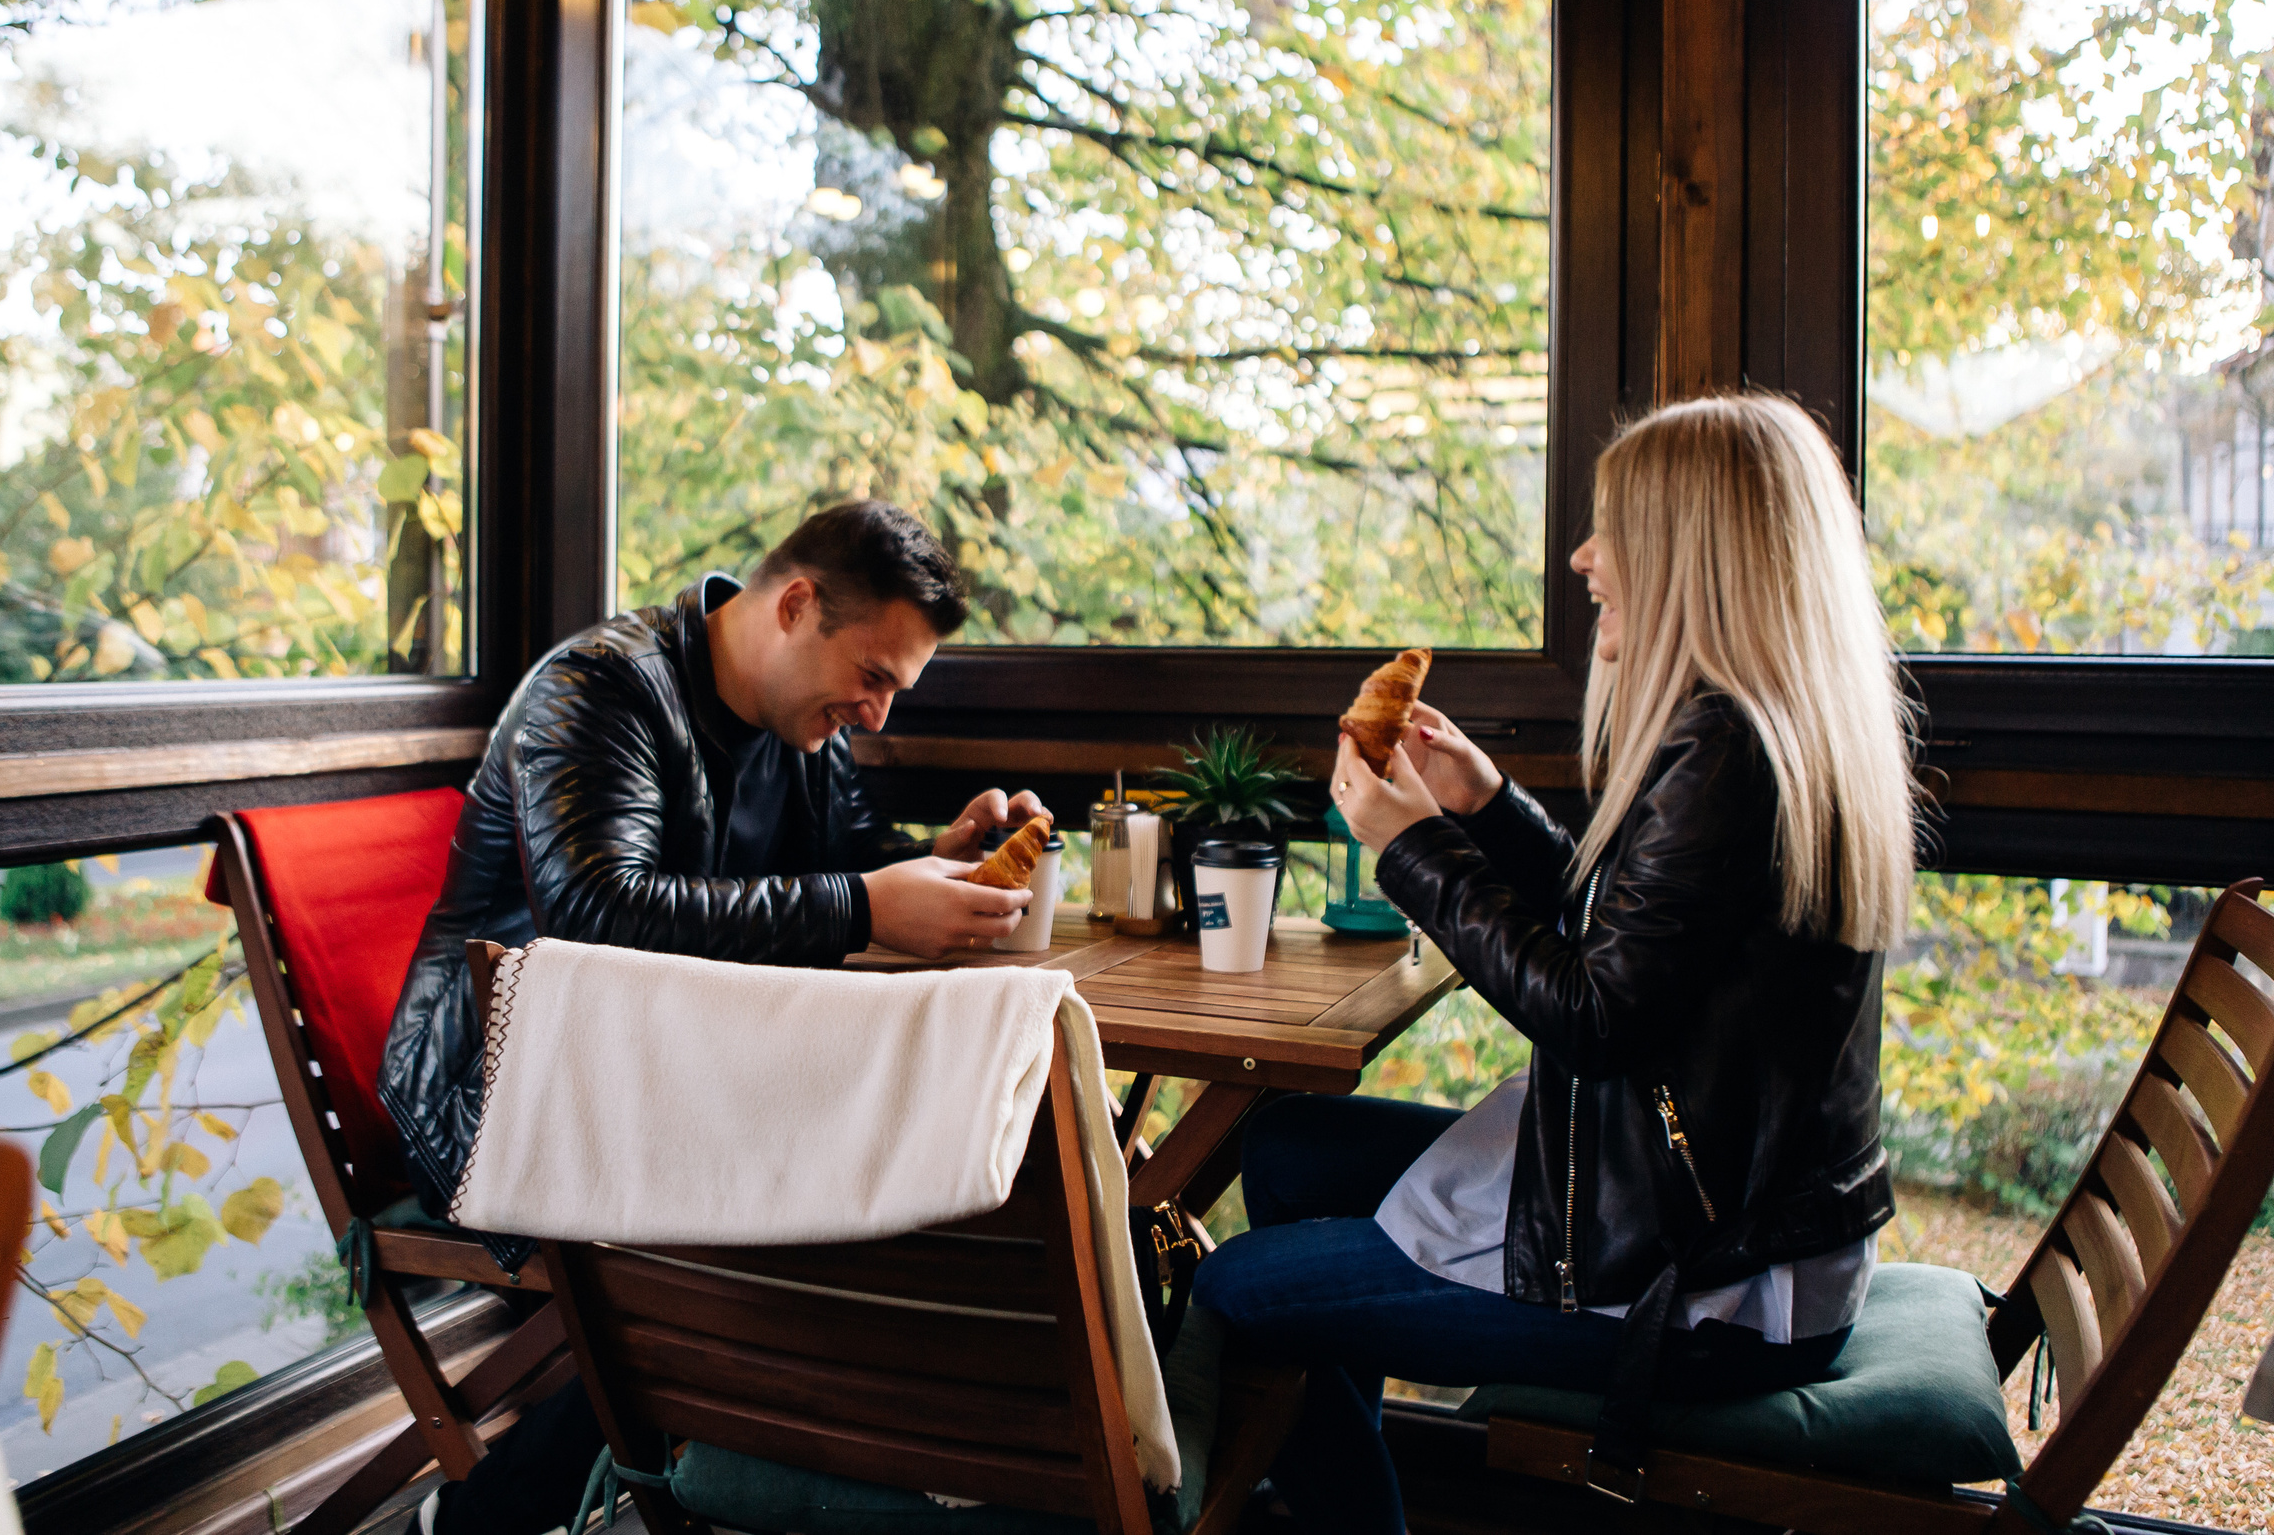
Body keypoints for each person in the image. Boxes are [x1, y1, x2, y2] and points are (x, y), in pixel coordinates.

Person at [1193, 393, 1916, 1532]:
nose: (1582, 559)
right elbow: (1641, 946)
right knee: (1284, 1144)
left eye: (1609, 530)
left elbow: (1592, 1016)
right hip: (1707, 1205)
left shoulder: (1727, 751)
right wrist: (1482, 805)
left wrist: (1410, 847)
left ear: (1694, 552)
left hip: (1709, 1287)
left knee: (1233, 1289)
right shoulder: (1758, 727)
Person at [379, 499, 1048, 1535]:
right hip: (504, 1087)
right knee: (838, 1216)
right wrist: (868, 903)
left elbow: (850, 864)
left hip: (668, 1073)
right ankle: (489, 1518)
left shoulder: (802, 724)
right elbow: (599, 910)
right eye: (873, 678)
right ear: (793, 606)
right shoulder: (598, 688)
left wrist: (935, 859)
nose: (878, 715)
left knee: (920, 1171)